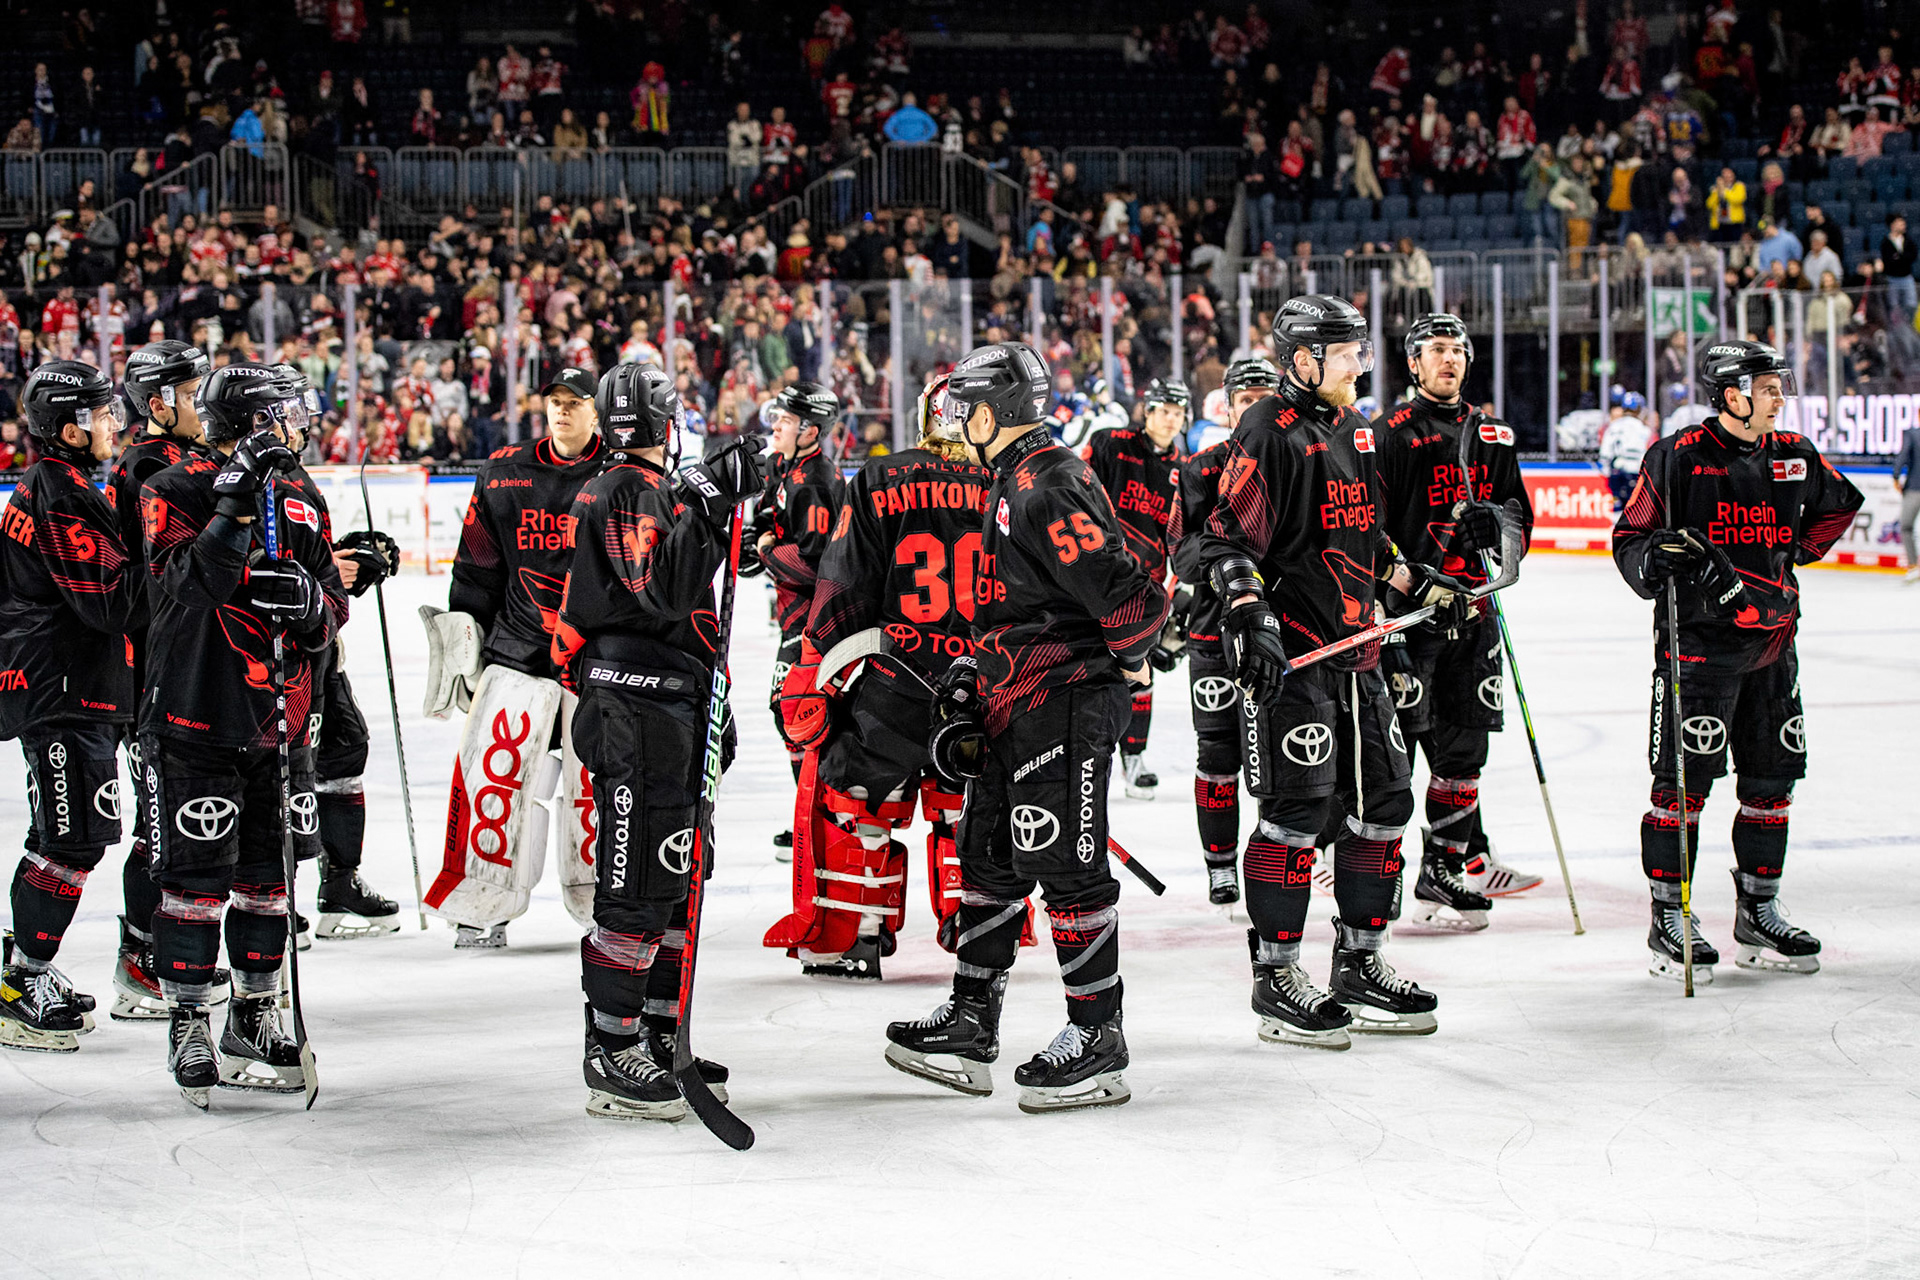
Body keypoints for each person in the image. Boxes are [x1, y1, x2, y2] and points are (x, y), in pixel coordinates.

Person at [884, 341, 1168, 1114]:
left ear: (990, 411)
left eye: (962, 406)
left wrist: (1136, 655)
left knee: (1065, 863)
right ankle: (973, 1023)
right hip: (1020, 697)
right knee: (989, 859)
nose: (952, 419)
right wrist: (977, 672)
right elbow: (1026, 601)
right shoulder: (1011, 477)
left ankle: (1097, 1036)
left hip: (1067, 700)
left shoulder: (1044, 484)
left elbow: (1126, 594)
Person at [1187, 296, 1471, 1049]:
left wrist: (1420, 582)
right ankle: (1276, 977)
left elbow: (1369, 538)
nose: (1358, 363)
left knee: (1384, 802)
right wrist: (1249, 611)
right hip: (1298, 665)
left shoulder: (1356, 431)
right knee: (1294, 814)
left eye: (1359, 351)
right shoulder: (1266, 431)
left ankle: (1360, 963)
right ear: (1303, 359)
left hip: (1361, 653)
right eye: (1345, 352)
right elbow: (1224, 544)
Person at [549, 362, 764, 1120]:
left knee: (675, 874)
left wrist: (726, 516)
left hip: (666, 704)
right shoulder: (625, 491)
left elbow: (680, 601)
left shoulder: (647, 493)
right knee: (639, 880)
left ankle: (657, 1036)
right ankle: (612, 1049)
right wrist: (707, 503)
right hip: (633, 711)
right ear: (668, 424)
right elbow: (660, 592)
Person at [1612, 341, 1863, 982]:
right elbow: (1630, 537)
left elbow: (1842, 504)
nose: (1780, 394)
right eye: (1767, 384)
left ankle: (1759, 907)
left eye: (1779, 383)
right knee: (1682, 786)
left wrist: (1799, 555)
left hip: (1775, 647)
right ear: (1730, 394)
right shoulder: (1677, 458)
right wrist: (1651, 562)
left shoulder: (1795, 455)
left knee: (1772, 781)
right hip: (1697, 652)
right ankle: (1670, 913)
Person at [138, 364, 345, 1106]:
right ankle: (189, 1017)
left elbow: (334, 611)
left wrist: (314, 603)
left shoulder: (303, 497)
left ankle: (253, 1015)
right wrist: (232, 501)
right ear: (259, 421)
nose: (300, 426)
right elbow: (191, 583)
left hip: (278, 721)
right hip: (194, 712)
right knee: (193, 882)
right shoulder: (171, 488)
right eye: (287, 414)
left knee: (268, 877)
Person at [766, 374, 1004, 978]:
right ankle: (977, 930)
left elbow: (843, 584)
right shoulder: (1006, 482)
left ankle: (857, 938)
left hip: (894, 676)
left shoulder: (877, 477)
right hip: (981, 682)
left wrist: (814, 662)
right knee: (966, 805)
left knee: (861, 806)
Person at [421, 369, 605, 949]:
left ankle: (606, 902)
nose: (562, 412)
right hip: (518, 655)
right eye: (554, 402)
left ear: (598, 412)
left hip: (595, 659)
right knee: (495, 781)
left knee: (595, 789)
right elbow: (475, 569)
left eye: (575, 403)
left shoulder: (621, 476)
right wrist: (461, 648)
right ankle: (481, 904)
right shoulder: (503, 473)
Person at [1375, 315, 1538, 930]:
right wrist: (1407, 581)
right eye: (1436, 350)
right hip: (1408, 618)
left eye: (1457, 351)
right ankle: (1376, 870)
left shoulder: (1492, 433)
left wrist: (1495, 526)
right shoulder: (1386, 434)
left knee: (1464, 749)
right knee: (1395, 757)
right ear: (1413, 363)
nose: (1449, 360)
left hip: (1474, 610)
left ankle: (1442, 871)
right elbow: (1366, 525)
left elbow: (1520, 520)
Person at [0, 364, 142, 1053]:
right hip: (61, 689)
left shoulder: (72, 483)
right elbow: (109, 600)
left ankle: (27, 963)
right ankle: (21, 977)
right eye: (102, 412)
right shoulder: (57, 491)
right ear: (68, 427)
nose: (115, 422)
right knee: (72, 838)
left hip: (79, 685)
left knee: (74, 833)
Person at [102, 340, 228, 1021]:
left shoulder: (185, 461)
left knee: (172, 821)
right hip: (156, 672)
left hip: (189, 666)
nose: (203, 399)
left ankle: (163, 949)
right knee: (160, 825)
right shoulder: (146, 468)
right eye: (192, 388)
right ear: (158, 404)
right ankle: (141, 958)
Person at [270, 364, 402, 940]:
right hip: (286, 650)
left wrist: (348, 556)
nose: (304, 425)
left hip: (323, 644)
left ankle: (339, 880)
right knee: (286, 769)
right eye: (293, 414)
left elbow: (307, 555)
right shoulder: (258, 479)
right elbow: (265, 569)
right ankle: (272, 893)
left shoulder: (293, 474)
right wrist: (334, 572)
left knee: (346, 747)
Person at [1168, 356, 1280, 904]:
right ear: (1228, 406)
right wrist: (1226, 569)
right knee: (1216, 752)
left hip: (1284, 635)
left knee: (1278, 755)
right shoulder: (1201, 469)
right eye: (1245, 399)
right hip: (1214, 633)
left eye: (1265, 397)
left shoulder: (1296, 459)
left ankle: (1275, 859)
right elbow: (1182, 556)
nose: (1255, 407)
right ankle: (1219, 866)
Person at [1081, 378, 1190, 801]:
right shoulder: (1109, 443)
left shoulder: (1185, 468)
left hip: (1143, 591)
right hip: (1093, 582)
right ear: (1147, 410)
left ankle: (1134, 758)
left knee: (1140, 674)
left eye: (1178, 412)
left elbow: (1182, 540)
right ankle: (1091, 759)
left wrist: (1171, 600)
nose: (1170, 419)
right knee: (1089, 671)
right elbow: (1078, 494)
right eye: (1164, 409)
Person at [753, 383, 845, 858]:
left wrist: (768, 551)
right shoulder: (788, 467)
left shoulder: (817, 482)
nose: (776, 426)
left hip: (815, 618)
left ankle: (818, 817)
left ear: (810, 430)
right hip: (795, 613)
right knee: (788, 711)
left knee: (797, 711)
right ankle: (810, 813)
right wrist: (761, 530)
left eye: (785, 421)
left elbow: (816, 561)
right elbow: (768, 515)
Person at [1599, 390, 1655, 513]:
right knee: (1635, 507)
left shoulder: (1613, 426)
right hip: (1636, 472)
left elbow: (1605, 452)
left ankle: (1615, 530)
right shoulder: (1643, 429)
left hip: (1617, 470)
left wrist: (1605, 470)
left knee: (1617, 505)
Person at [1892, 418, 1920, 582]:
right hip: (1914, 487)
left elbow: (1903, 455)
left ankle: (1913, 565)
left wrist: (1896, 476)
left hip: (1915, 488)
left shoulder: (1912, 434)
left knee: (1906, 527)